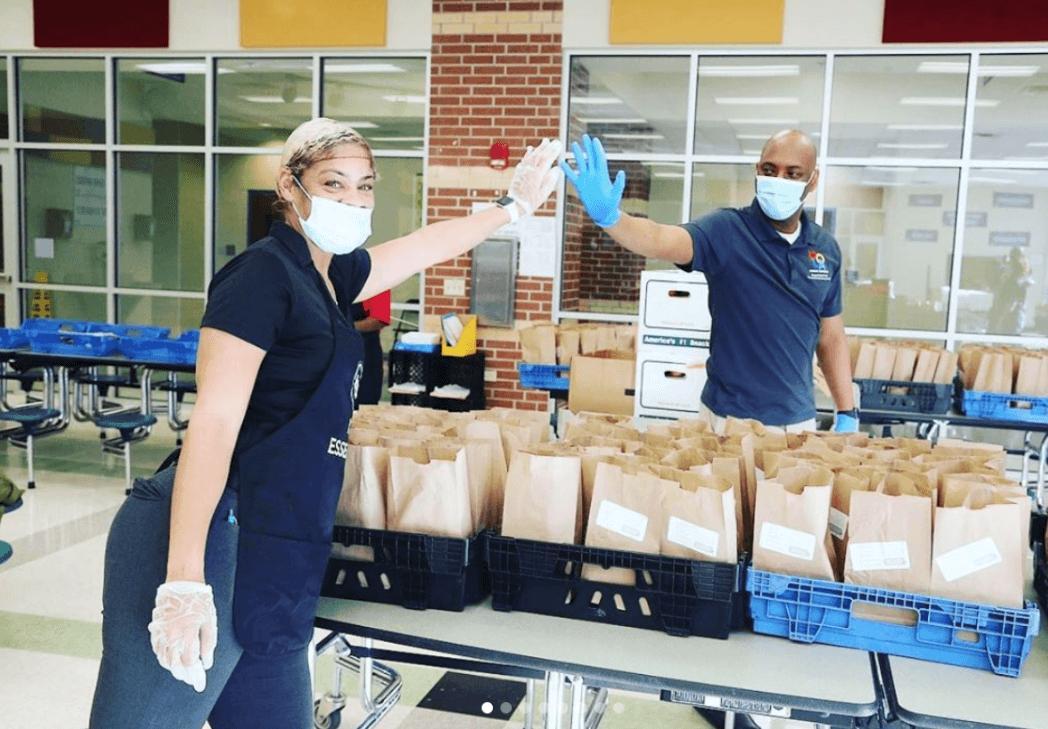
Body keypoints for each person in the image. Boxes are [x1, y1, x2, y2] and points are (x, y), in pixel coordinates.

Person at [88, 118, 562, 728]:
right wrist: (183, 579)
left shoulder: (331, 277)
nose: (353, 200)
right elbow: (215, 418)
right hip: (209, 534)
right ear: (289, 186)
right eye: (333, 183)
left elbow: (424, 245)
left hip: (278, 547)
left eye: (364, 186)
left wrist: (512, 206)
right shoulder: (260, 276)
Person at [561, 131, 857, 434]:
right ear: (757, 171)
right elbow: (661, 240)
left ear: (813, 180)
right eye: (770, 170)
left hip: (797, 422)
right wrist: (612, 218)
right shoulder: (727, 231)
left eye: (793, 174)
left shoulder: (825, 249)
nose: (779, 180)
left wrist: (848, 411)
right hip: (726, 420)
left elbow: (831, 336)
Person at [351, 291, 390, 406]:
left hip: (366, 356)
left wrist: (345, 327)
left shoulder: (376, 282)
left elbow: (379, 320)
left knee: (364, 406)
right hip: (336, 355)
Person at [987, 246, 1033, 335]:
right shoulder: (1010, 266)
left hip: (1013, 296)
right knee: (1002, 317)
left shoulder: (1019, 265)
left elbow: (1026, 277)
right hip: (1007, 295)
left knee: (1012, 319)